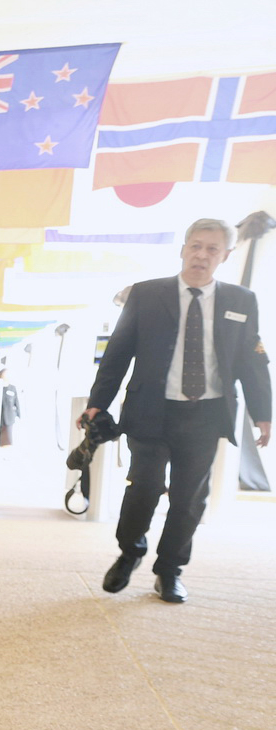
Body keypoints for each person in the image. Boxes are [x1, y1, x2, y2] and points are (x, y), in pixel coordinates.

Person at [86, 219, 271, 603]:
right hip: (151, 410)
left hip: (206, 414)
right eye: (196, 246)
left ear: (226, 256)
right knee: (145, 487)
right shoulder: (147, 294)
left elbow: (251, 362)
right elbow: (118, 352)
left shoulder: (241, 301)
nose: (201, 255)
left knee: (189, 499)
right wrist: (97, 403)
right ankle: (129, 553)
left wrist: (262, 413)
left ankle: (169, 571)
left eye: (212, 250)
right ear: (184, 248)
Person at [0, 366, 21, 446]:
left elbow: (16, 402)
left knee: (8, 438)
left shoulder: (12, 388)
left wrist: (18, 415)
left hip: (9, 418)